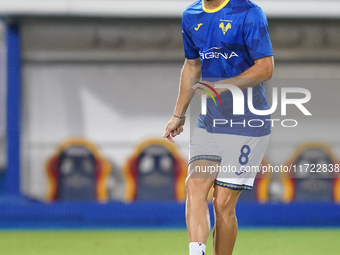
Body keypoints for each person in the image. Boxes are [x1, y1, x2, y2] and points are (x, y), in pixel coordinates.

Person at [163, 0, 274, 254]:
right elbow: (192, 65)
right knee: (194, 185)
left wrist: (224, 85)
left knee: (222, 203)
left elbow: (266, 67)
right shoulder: (191, 15)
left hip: (248, 122)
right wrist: (178, 115)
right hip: (211, 119)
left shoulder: (249, 13)